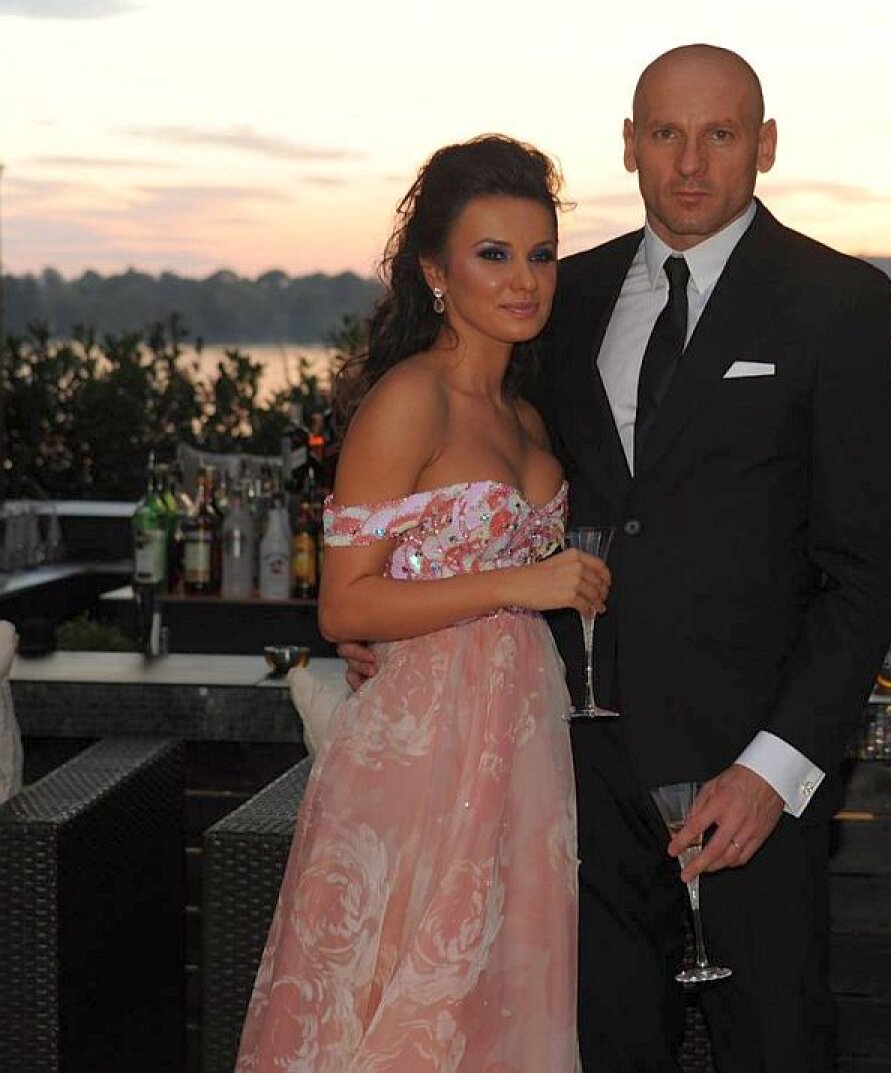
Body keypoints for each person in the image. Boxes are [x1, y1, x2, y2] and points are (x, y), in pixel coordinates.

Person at [343, 44, 891, 1072]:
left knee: (778, 1047)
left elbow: (865, 576)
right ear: (629, 145)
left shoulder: (840, 303)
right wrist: (399, 616)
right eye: (665, 134)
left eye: (719, 134)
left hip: (747, 785)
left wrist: (773, 771)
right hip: (568, 778)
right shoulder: (563, 296)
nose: (689, 162)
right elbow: (481, 477)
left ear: (764, 146)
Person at [235, 135, 608, 1073]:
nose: (524, 279)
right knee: (403, 1005)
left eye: (541, 254)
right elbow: (343, 606)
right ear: (436, 272)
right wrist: (522, 585)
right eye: (494, 254)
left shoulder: (526, 413)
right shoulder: (409, 399)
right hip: (422, 752)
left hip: (523, 743)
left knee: (497, 1008)